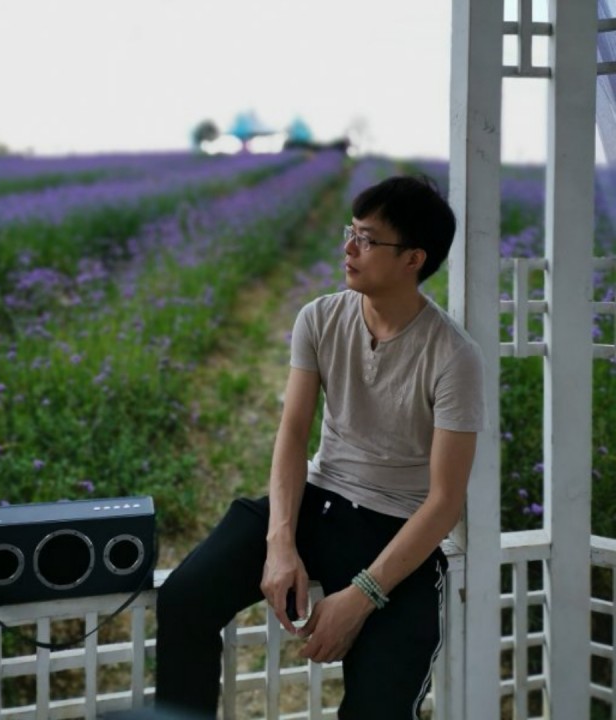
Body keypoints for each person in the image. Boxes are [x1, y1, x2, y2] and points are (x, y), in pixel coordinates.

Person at [154, 175, 485, 719]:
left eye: (367, 239)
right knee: (184, 598)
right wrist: (279, 542)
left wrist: (362, 596)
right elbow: (292, 434)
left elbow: (445, 501)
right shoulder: (319, 317)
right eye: (350, 232)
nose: (349, 249)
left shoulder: (454, 356)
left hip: (394, 531)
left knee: (379, 706)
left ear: (413, 259)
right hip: (317, 501)